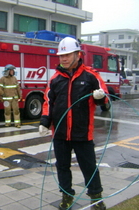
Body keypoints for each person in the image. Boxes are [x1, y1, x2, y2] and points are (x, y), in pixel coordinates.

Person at [39, 37, 108, 210]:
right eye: (61, 55)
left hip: (82, 132)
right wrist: (44, 122)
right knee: (62, 166)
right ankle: (67, 196)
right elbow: (48, 101)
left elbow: (104, 97)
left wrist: (100, 98)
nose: (63, 59)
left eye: (67, 55)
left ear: (78, 54)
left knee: (89, 166)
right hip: (60, 133)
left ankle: (96, 198)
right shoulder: (55, 79)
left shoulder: (91, 76)